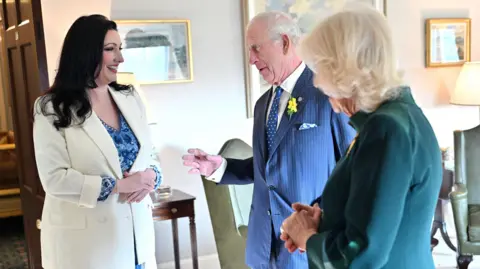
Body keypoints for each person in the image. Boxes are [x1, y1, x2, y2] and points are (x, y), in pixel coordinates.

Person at [182, 11, 356, 269]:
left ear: (284, 43)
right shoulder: (263, 104)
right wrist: (220, 168)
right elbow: (268, 166)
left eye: (256, 48)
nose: (251, 59)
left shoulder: (327, 95)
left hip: (307, 245)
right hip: (263, 247)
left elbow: (353, 167)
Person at [280, 5, 442, 269]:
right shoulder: (398, 118)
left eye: (320, 68)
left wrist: (307, 238)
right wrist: (324, 217)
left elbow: (362, 253)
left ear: (344, 70)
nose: (317, 82)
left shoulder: (385, 130)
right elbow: (376, 211)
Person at [32, 15, 162, 269]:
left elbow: (151, 153)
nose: (120, 58)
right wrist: (120, 186)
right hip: (86, 249)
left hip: (137, 244)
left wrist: (152, 177)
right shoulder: (51, 108)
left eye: (120, 49)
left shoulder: (130, 97)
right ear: (86, 52)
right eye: (110, 50)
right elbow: (54, 178)